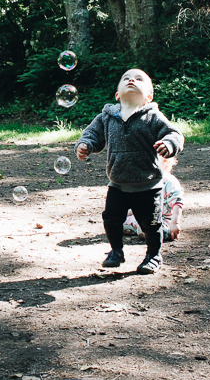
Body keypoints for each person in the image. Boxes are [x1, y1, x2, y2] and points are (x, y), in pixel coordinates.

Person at [75, 68, 184, 274]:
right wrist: (85, 145)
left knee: (151, 224)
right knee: (111, 218)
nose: (131, 80)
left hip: (148, 184)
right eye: (126, 78)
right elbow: (92, 135)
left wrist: (169, 144)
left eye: (139, 78)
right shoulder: (107, 116)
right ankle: (116, 251)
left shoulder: (153, 116)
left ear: (149, 96)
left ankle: (153, 256)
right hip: (117, 183)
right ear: (117, 94)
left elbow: (174, 133)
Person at [123, 156, 184, 241]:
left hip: (163, 219)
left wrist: (175, 223)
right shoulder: (147, 181)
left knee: (154, 229)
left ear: (165, 162)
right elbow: (140, 203)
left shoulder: (170, 181)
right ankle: (139, 228)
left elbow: (177, 202)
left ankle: (156, 233)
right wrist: (128, 212)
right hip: (144, 217)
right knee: (119, 221)